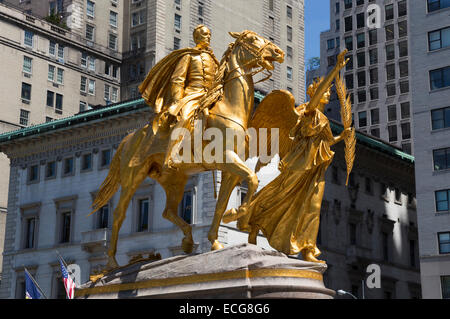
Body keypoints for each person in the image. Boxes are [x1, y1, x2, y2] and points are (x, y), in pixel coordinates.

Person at [237, 51, 351, 263]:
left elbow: (324, 142)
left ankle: (308, 249)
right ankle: (253, 222)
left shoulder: (323, 118)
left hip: (316, 168)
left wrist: (341, 137)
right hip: (299, 165)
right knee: (280, 196)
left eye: (328, 92)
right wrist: (335, 70)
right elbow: (314, 103)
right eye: (324, 91)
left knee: (313, 208)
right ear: (314, 93)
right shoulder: (307, 110)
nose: (328, 94)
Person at [133, 25, 219, 168]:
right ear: (196, 37)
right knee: (185, 118)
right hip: (192, 95)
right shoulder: (188, 56)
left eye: (209, 34)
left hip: (210, 96)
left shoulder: (214, 61)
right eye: (205, 34)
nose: (208, 37)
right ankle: (171, 155)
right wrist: (177, 101)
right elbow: (177, 79)